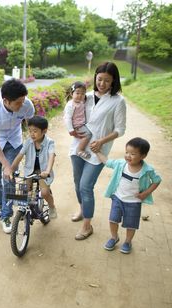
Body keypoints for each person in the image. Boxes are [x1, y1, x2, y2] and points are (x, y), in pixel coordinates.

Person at [69, 61, 126, 240]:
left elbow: (120, 129)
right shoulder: (84, 96)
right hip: (78, 146)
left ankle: (87, 225)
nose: (102, 84)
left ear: (114, 81)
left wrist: (101, 141)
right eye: (99, 79)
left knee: (86, 186)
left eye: (107, 81)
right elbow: (70, 111)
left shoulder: (118, 101)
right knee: (77, 183)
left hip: (98, 150)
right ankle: (82, 208)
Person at [0, 79, 35, 234]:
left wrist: (35, 147)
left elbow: (32, 128)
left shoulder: (26, 104)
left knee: (9, 179)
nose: (22, 105)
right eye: (18, 103)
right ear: (6, 101)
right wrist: (6, 165)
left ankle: (6, 214)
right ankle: (2, 203)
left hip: (14, 142)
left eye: (23, 101)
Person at [95, 137, 161, 254]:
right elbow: (107, 162)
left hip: (134, 202)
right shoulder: (121, 164)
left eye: (133, 154)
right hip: (118, 198)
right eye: (126, 152)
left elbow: (157, 180)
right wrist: (97, 152)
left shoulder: (147, 170)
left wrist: (145, 193)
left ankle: (128, 241)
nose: (128, 156)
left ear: (143, 156)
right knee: (113, 220)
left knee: (131, 224)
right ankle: (114, 237)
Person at [11, 116, 57, 222]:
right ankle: (26, 210)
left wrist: (48, 171)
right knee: (25, 191)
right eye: (30, 131)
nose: (32, 134)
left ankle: (51, 206)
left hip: (43, 172)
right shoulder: (28, 142)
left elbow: (51, 156)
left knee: (45, 192)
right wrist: (11, 169)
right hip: (30, 171)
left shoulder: (50, 142)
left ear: (44, 131)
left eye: (35, 131)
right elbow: (20, 155)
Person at [64, 81, 92, 159]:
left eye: (83, 94)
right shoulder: (70, 105)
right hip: (77, 126)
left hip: (81, 124)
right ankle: (79, 150)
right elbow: (67, 118)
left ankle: (80, 149)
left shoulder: (81, 102)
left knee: (87, 134)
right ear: (71, 93)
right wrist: (71, 130)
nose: (80, 96)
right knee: (88, 134)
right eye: (77, 93)